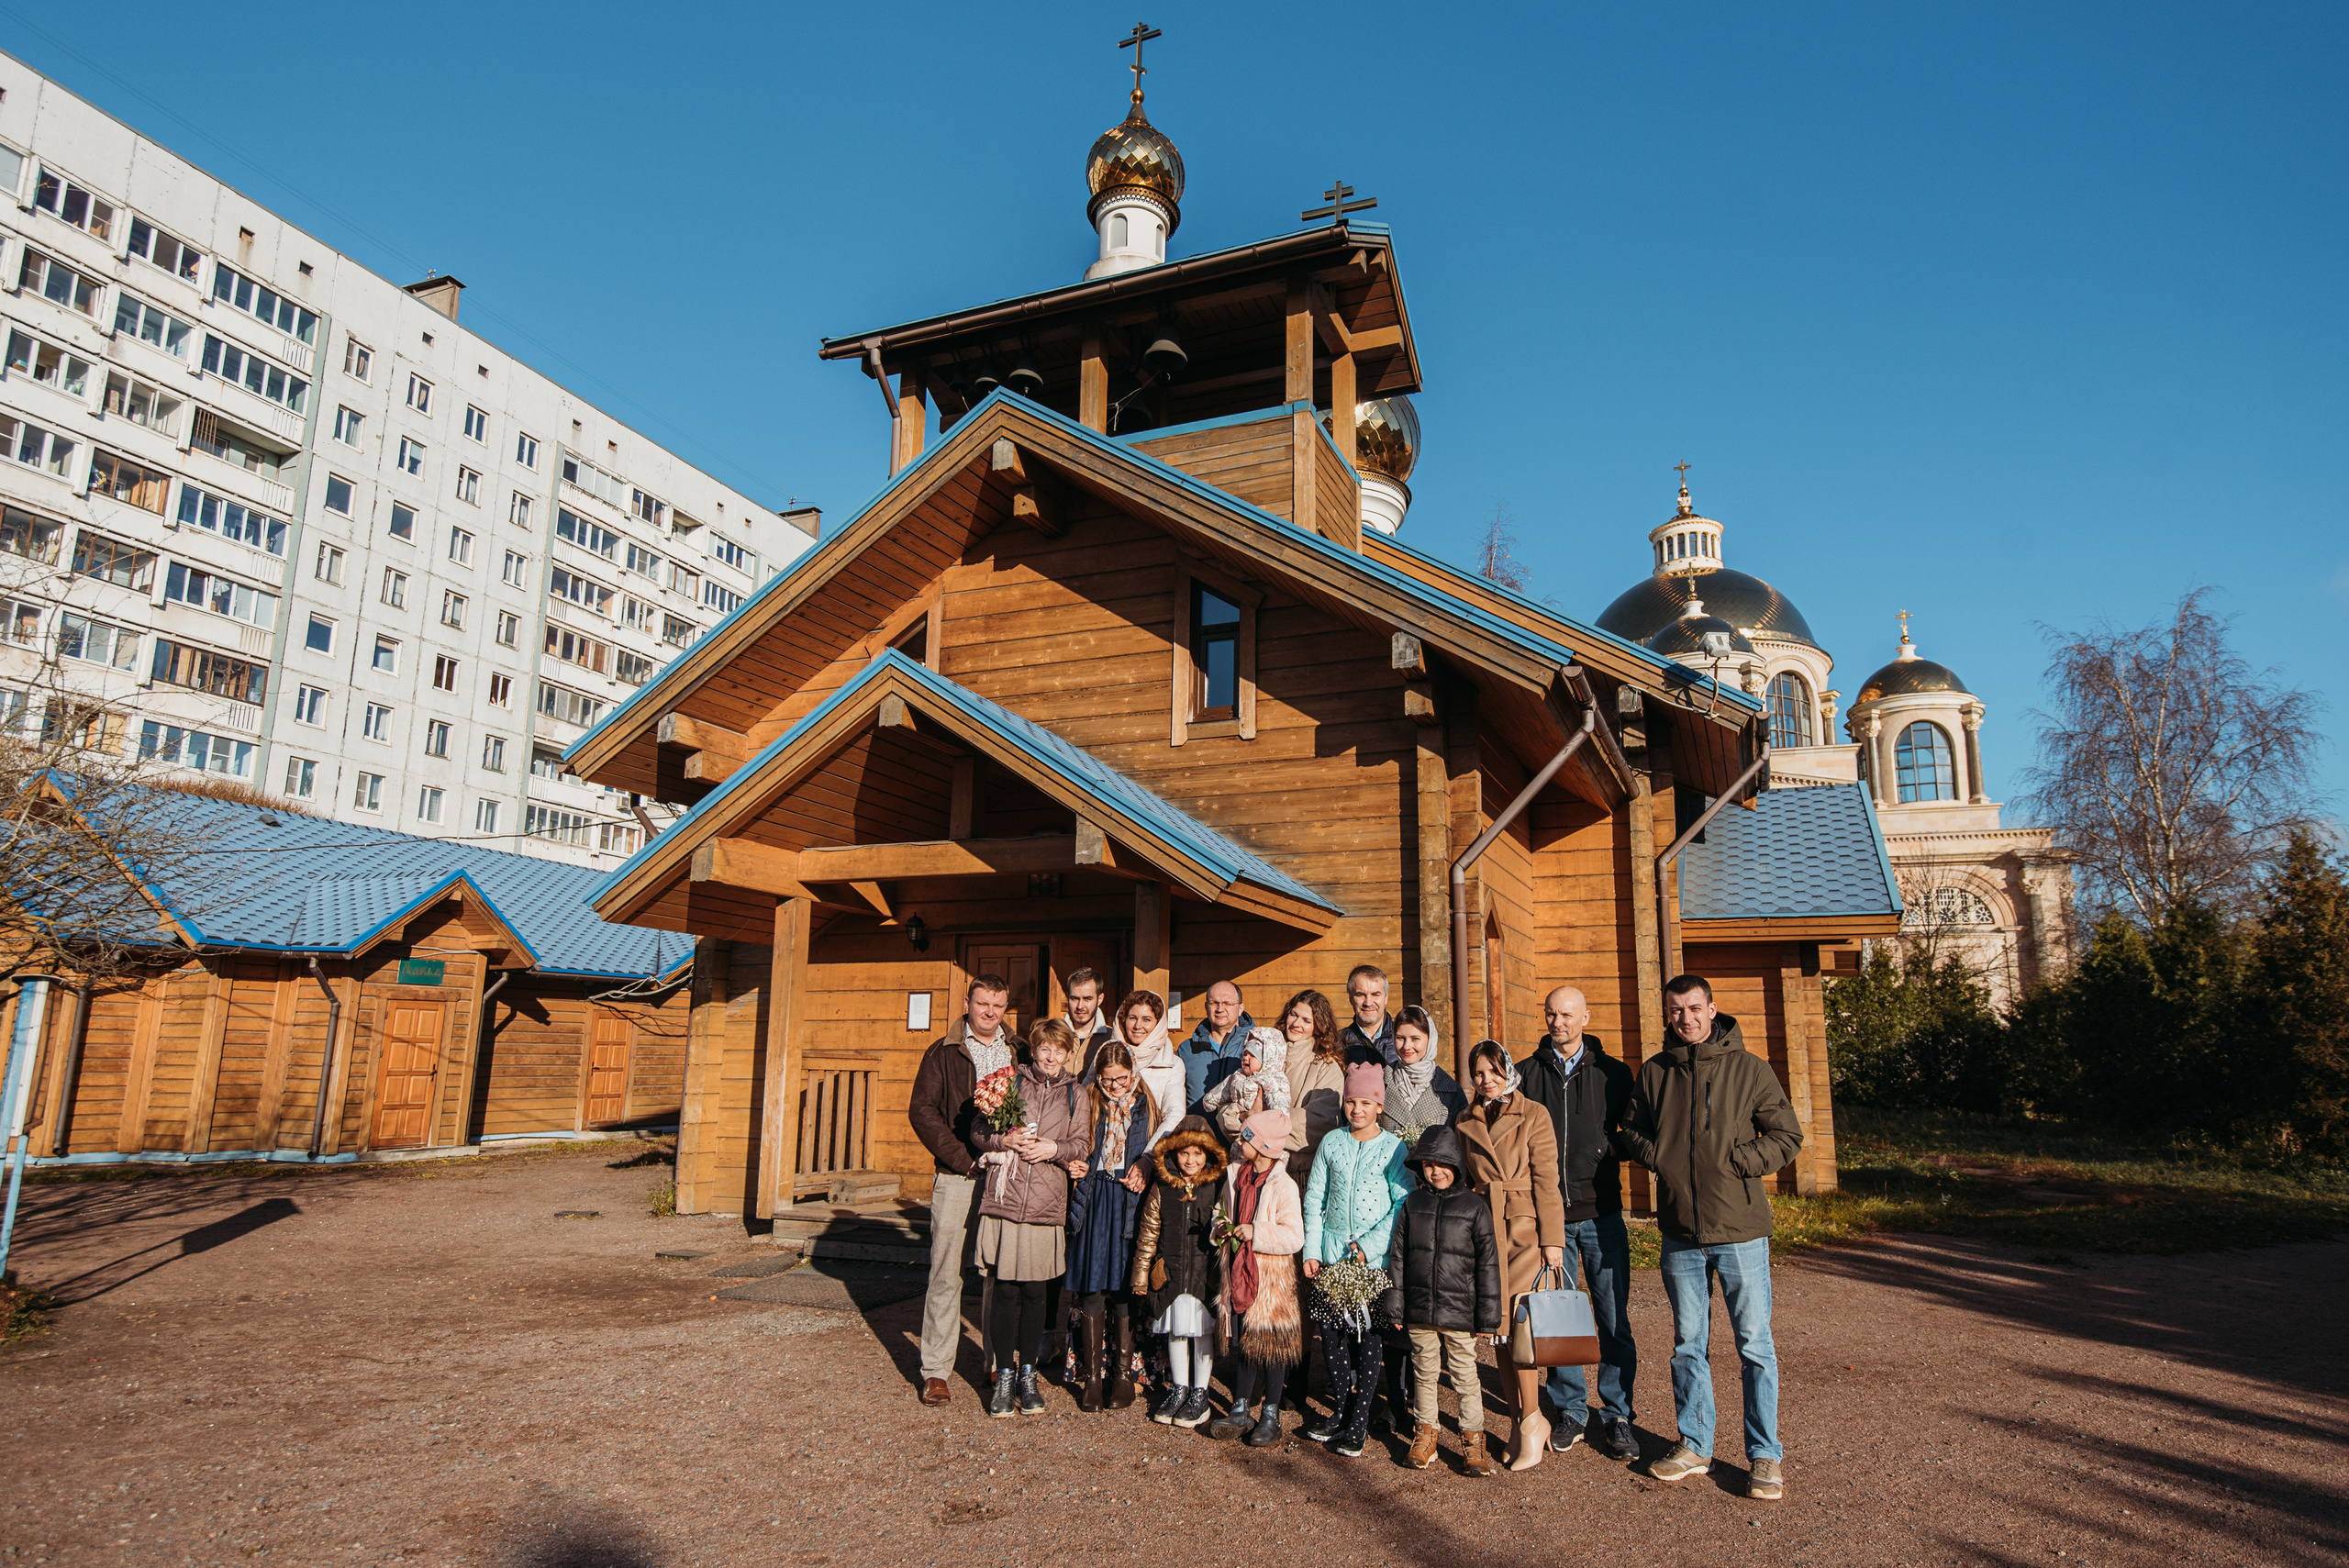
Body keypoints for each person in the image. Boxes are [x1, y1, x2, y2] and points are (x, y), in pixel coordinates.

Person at [1618, 974, 1804, 1502]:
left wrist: (1741, 1161)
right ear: (1668, 1014)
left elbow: (1787, 1135)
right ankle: (1696, 1444)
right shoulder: (1656, 1072)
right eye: (1676, 1011)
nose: (1686, 1019)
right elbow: (1631, 1129)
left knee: (1754, 1346)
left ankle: (1765, 1456)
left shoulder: (1749, 1069)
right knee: (1687, 1345)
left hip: (1740, 1231)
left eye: (1694, 1008)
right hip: (1680, 1232)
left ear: (1712, 1008)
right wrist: (1660, 1158)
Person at [1514, 984, 1639, 1461]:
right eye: (1551, 1014)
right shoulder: (1526, 1074)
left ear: (1585, 1018)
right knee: (1558, 1317)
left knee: (1612, 1316)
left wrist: (1607, 1151)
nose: (1558, 1023)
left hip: (1602, 1212)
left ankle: (1617, 1412)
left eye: (1567, 1015)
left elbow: (1632, 1129)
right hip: (1552, 1220)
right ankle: (1570, 1408)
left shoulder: (1611, 1074)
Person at [969, 1018, 1093, 1418]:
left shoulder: (1077, 1094)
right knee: (1005, 1289)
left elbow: (1082, 1144)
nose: (1052, 1057)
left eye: (1060, 1050)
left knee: (1037, 1292)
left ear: (1068, 1053)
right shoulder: (1010, 1081)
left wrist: (1054, 1148)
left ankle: (1028, 1373)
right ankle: (1003, 1374)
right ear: (1034, 1049)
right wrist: (1004, 1140)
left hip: (1044, 1204)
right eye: (1045, 1049)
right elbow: (978, 1129)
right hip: (1007, 1198)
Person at [1453, 1038, 1566, 1471]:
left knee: (1523, 1331)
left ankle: (1534, 1419)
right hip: (1484, 1229)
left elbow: (1547, 1181)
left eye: (1493, 1071)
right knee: (1496, 1330)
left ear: (1508, 1070)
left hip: (1524, 1232)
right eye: (1478, 1073)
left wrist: (1552, 1241)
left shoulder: (1533, 1113)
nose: (1485, 1081)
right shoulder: (1466, 1118)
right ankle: (1520, 1422)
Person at [907, 974, 1014, 1407]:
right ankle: (936, 1369)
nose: (989, 1012)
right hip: (960, 1176)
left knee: (998, 1273)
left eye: (998, 1005)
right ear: (968, 1002)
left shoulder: (1018, 1050)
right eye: (983, 1003)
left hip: (1006, 1175)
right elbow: (923, 1111)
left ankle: (997, 1361)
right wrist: (965, 1159)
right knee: (948, 1272)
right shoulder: (944, 1051)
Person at [1300, 1064, 1413, 1457]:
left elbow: (1401, 1202)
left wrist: (1370, 1244)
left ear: (1379, 1105)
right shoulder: (1332, 1142)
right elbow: (1315, 1198)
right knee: (1331, 1334)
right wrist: (1312, 1250)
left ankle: (1361, 1418)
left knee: (1367, 1338)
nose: (1357, 1109)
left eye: (1365, 1102)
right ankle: (1341, 1411)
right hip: (1331, 1256)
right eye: (1351, 1101)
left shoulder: (1393, 1148)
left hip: (1370, 1262)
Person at [1379, 1123, 1502, 1476]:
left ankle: (1472, 1438)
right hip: (1419, 1309)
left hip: (1460, 1313)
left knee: (1465, 1375)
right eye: (1428, 1164)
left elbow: (1488, 1263)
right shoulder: (1412, 1203)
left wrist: (1488, 1315)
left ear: (1457, 1165)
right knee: (1424, 1372)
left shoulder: (1475, 1207)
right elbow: (1398, 1256)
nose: (1436, 1171)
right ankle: (1425, 1434)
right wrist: (1396, 1302)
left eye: (1443, 1163)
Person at [1372, 1004, 1465, 1433]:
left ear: (1429, 1041)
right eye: (1401, 1039)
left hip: (1432, 1204)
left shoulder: (1447, 1088)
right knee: (1393, 1291)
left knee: (1425, 1292)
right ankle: (1395, 1396)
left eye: (1416, 1039)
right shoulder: (1383, 1079)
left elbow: (1458, 1146)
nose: (1407, 1047)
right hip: (1386, 1199)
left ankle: (1423, 1391)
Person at [1064, 1037, 1162, 1411]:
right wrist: (1075, 1163)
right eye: (1108, 1080)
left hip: (1128, 1199)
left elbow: (1153, 1149)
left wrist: (1146, 1167)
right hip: (1094, 1197)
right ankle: (1091, 1377)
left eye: (1121, 1079)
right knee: (1092, 1285)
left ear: (1132, 1073)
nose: (1115, 1087)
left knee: (1124, 1286)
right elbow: (1075, 1142)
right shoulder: (1089, 1099)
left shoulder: (1145, 1105)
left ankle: (1122, 1374)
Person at [1201, 1107, 1304, 1447]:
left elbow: (1294, 1236)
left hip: (1270, 1279)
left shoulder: (1283, 1185)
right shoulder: (1235, 1175)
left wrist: (1255, 1231)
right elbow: (1222, 1210)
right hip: (1240, 1272)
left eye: (1246, 1136)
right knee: (1246, 1342)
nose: (1239, 1140)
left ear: (1262, 1146)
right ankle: (1241, 1407)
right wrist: (1220, 1227)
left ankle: (1270, 1415)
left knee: (1272, 1346)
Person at [1128, 1115, 1228, 1429]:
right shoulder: (1162, 1187)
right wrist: (1140, 1276)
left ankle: (1200, 1393)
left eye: (1198, 1153)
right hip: (1170, 1272)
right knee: (1176, 1331)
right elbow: (1148, 1233)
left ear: (1208, 1155)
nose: (1191, 1160)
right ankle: (1179, 1388)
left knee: (1201, 1334)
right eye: (1184, 1152)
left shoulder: (1215, 1186)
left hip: (1204, 1275)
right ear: (1173, 1152)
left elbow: (1226, 1227)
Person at [1279, 988, 1347, 1180]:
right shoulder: (1263, 1055)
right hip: (1256, 1168)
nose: (1296, 1024)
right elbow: (1232, 1109)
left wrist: (1259, 1124)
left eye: (1306, 1021)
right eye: (1293, 1014)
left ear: (1318, 1027)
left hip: (1300, 1173)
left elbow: (1320, 1122)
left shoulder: (1326, 1067)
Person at [1201, 1024, 1292, 1142]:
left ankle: (1250, 1140)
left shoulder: (1272, 1079)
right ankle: (1242, 1140)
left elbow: (1279, 1098)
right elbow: (1225, 1088)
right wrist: (1211, 1100)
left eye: (1252, 1056)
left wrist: (1280, 1119)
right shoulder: (1238, 1076)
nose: (1246, 1058)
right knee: (1227, 1119)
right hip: (1241, 1117)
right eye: (1245, 1054)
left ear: (1267, 1059)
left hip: (1262, 1125)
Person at [1175, 980, 1253, 1113]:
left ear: (1240, 1009)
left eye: (1227, 1003)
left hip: (1239, 1132)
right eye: (1214, 1003)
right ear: (1206, 1007)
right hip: (1197, 1131)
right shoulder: (1187, 1050)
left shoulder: (1255, 1046)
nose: (1220, 1009)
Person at [1063, 967, 1117, 1079]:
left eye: (1087, 999)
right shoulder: (1053, 1035)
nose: (1080, 1006)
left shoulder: (1112, 1038)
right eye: (1074, 998)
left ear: (1100, 999)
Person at [1341, 964, 1397, 1066]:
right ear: (1350, 998)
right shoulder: (1336, 1043)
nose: (1368, 1002)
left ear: (1386, 997)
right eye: (1360, 995)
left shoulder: (1404, 1039)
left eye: (1375, 994)